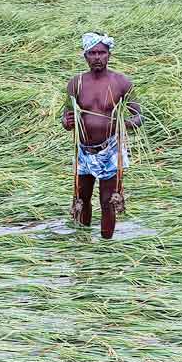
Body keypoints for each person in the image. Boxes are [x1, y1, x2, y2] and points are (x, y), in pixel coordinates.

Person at [61, 32, 143, 239]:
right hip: (84, 151)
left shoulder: (121, 82)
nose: (97, 57)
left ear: (109, 55)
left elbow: (139, 117)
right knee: (81, 199)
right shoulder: (76, 83)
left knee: (108, 201)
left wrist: (124, 124)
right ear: (85, 56)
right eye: (92, 53)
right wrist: (66, 122)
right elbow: (66, 117)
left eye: (102, 53)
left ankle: (106, 245)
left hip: (110, 151)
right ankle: (83, 243)